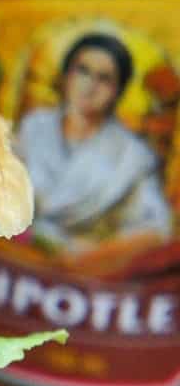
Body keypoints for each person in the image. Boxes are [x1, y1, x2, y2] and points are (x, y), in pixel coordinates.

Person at [16, 32, 171, 254]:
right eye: (83, 71)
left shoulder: (133, 156)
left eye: (105, 78)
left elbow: (156, 229)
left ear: (118, 91)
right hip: (10, 255)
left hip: (83, 272)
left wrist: (94, 253)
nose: (90, 85)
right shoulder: (35, 127)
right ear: (66, 75)